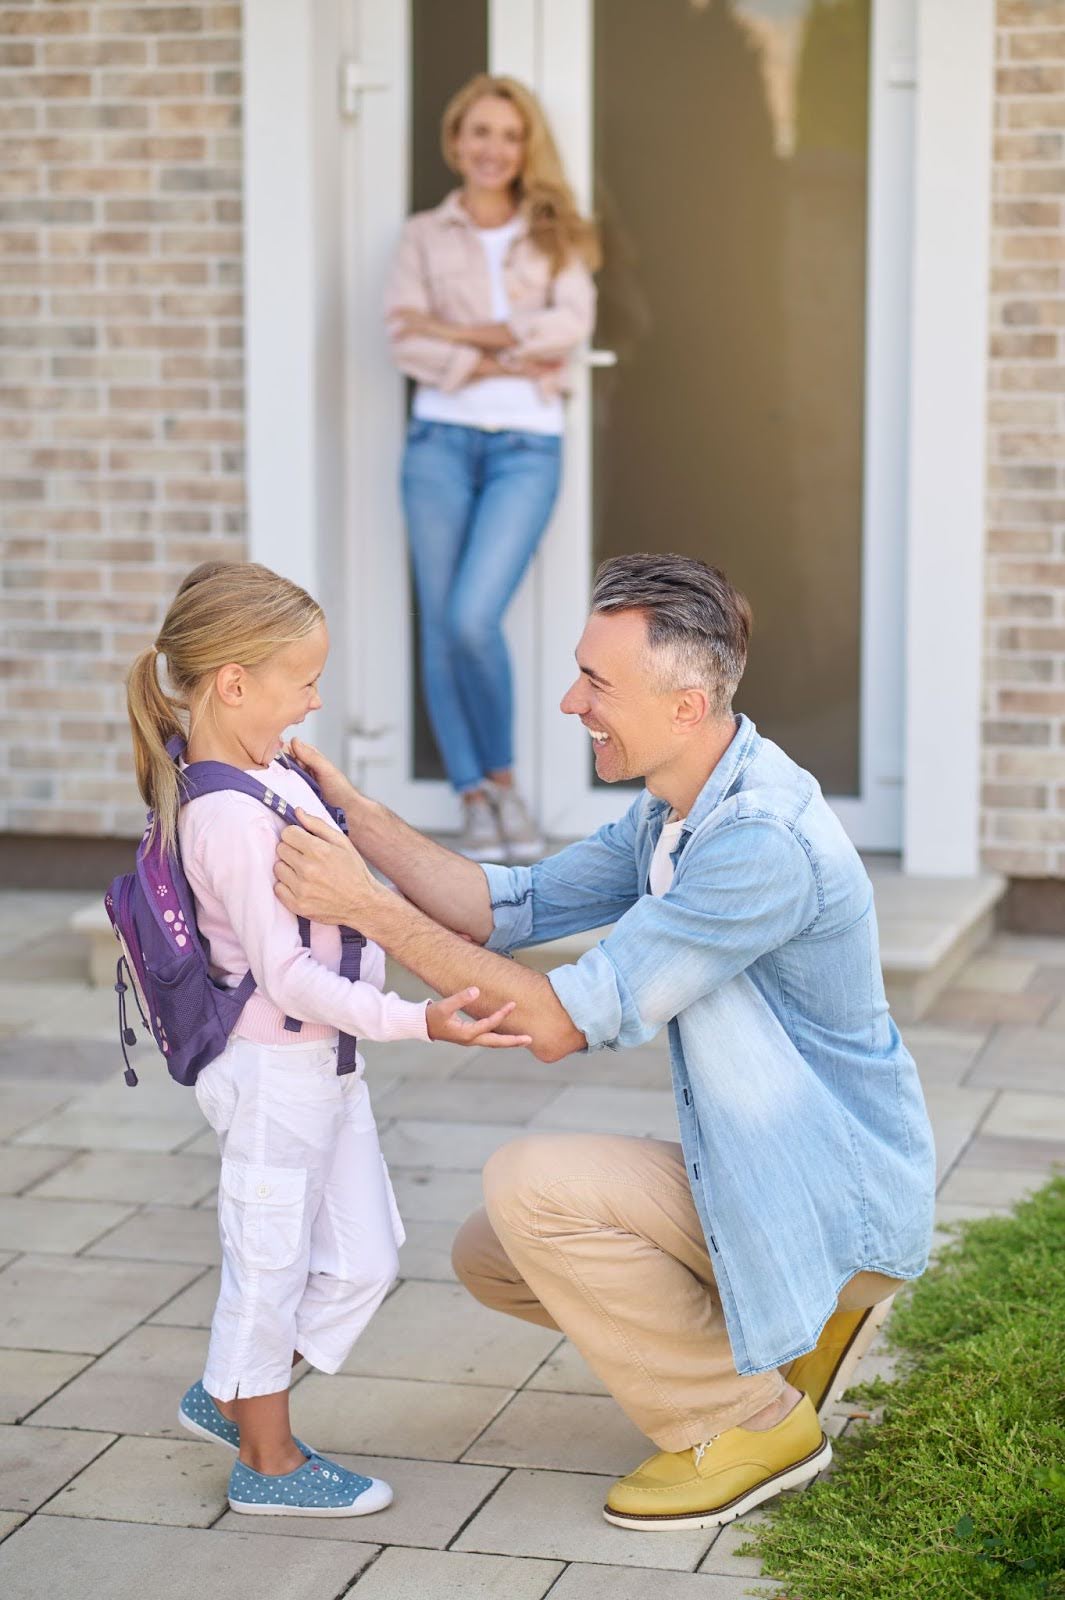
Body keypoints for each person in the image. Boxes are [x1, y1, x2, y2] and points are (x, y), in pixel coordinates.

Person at [272, 552, 937, 1532]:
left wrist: (363, 910)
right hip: (780, 1177)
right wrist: (356, 816)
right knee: (491, 1252)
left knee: (533, 1186)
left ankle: (748, 1422)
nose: (567, 700)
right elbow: (508, 906)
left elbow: (556, 1021)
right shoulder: (684, 803)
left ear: (686, 703)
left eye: (597, 682)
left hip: (837, 1193)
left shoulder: (759, 842)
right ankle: (791, 1332)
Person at [124, 560, 529, 1519]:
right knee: (266, 1265)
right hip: (274, 1072)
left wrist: (333, 799)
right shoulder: (224, 815)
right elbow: (287, 976)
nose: (313, 698)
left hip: (324, 1065)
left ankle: (232, 1388)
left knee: (364, 1262)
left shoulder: (268, 773)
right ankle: (266, 1461)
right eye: (302, 680)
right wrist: (419, 1020)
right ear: (234, 683)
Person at [386, 72, 599, 864]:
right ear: (455, 140)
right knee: (443, 626)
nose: (492, 149)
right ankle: (475, 797)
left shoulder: (556, 234)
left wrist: (459, 333)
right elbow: (402, 338)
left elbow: (569, 325)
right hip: (437, 444)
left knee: (473, 616)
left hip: (526, 446)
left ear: (524, 147)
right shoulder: (421, 236)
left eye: (508, 136)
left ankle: (504, 780)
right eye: (479, 132)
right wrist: (501, 351)